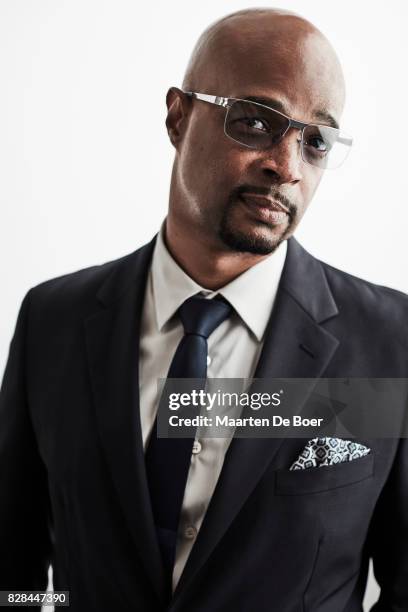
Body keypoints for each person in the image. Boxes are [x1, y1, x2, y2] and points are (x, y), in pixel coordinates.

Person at [1, 7, 407, 612]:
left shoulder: (390, 341)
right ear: (177, 116)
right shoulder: (53, 321)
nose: (287, 167)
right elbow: (14, 559)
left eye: (315, 140)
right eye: (256, 122)